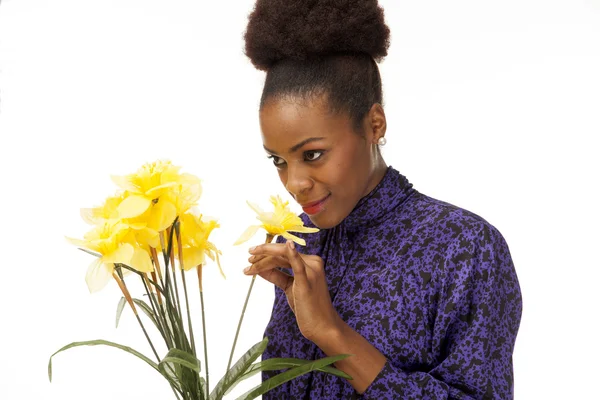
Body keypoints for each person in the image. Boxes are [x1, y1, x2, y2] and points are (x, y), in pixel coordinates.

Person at [241, 1, 522, 398]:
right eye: (279, 160)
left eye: (313, 154)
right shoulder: (302, 240)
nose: (295, 183)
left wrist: (330, 332)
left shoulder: (465, 247)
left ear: (374, 125)